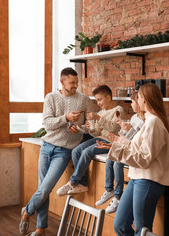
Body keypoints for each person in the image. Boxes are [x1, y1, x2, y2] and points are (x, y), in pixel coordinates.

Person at [19, 67, 93, 236]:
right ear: (62, 81)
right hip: (47, 146)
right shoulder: (51, 97)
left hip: (65, 151)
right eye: (72, 83)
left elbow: (89, 128)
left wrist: (79, 129)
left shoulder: (84, 99)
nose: (75, 86)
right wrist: (66, 118)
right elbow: (47, 123)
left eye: (77, 82)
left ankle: (27, 212)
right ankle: (40, 228)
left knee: (45, 189)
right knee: (42, 188)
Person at [96, 83, 169, 236]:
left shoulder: (154, 123)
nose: (136, 100)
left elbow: (144, 159)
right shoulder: (149, 122)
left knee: (142, 231)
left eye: (138, 97)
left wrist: (116, 150)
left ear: (144, 99)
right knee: (119, 225)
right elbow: (137, 147)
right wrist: (114, 145)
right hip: (137, 178)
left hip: (148, 181)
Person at [56, 84, 124, 196]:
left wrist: (97, 118)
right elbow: (96, 132)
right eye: (97, 100)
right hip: (99, 139)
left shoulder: (118, 110)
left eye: (100, 99)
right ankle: (82, 184)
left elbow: (113, 127)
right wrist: (86, 128)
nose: (98, 103)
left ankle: (73, 182)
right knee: (76, 151)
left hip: (111, 142)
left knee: (87, 152)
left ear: (108, 97)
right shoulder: (101, 113)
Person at [95, 92, 144, 214]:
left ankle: (117, 196)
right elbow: (127, 136)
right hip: (127, 146)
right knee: (109, 158)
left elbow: (136, 140)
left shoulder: (146, 120)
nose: (131, 104)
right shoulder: (134, 118)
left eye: (132, 102)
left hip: (134, 150)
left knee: (117, 164)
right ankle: (109, 190)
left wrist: (128, 131)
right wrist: (124, 129)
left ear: (140, 103)